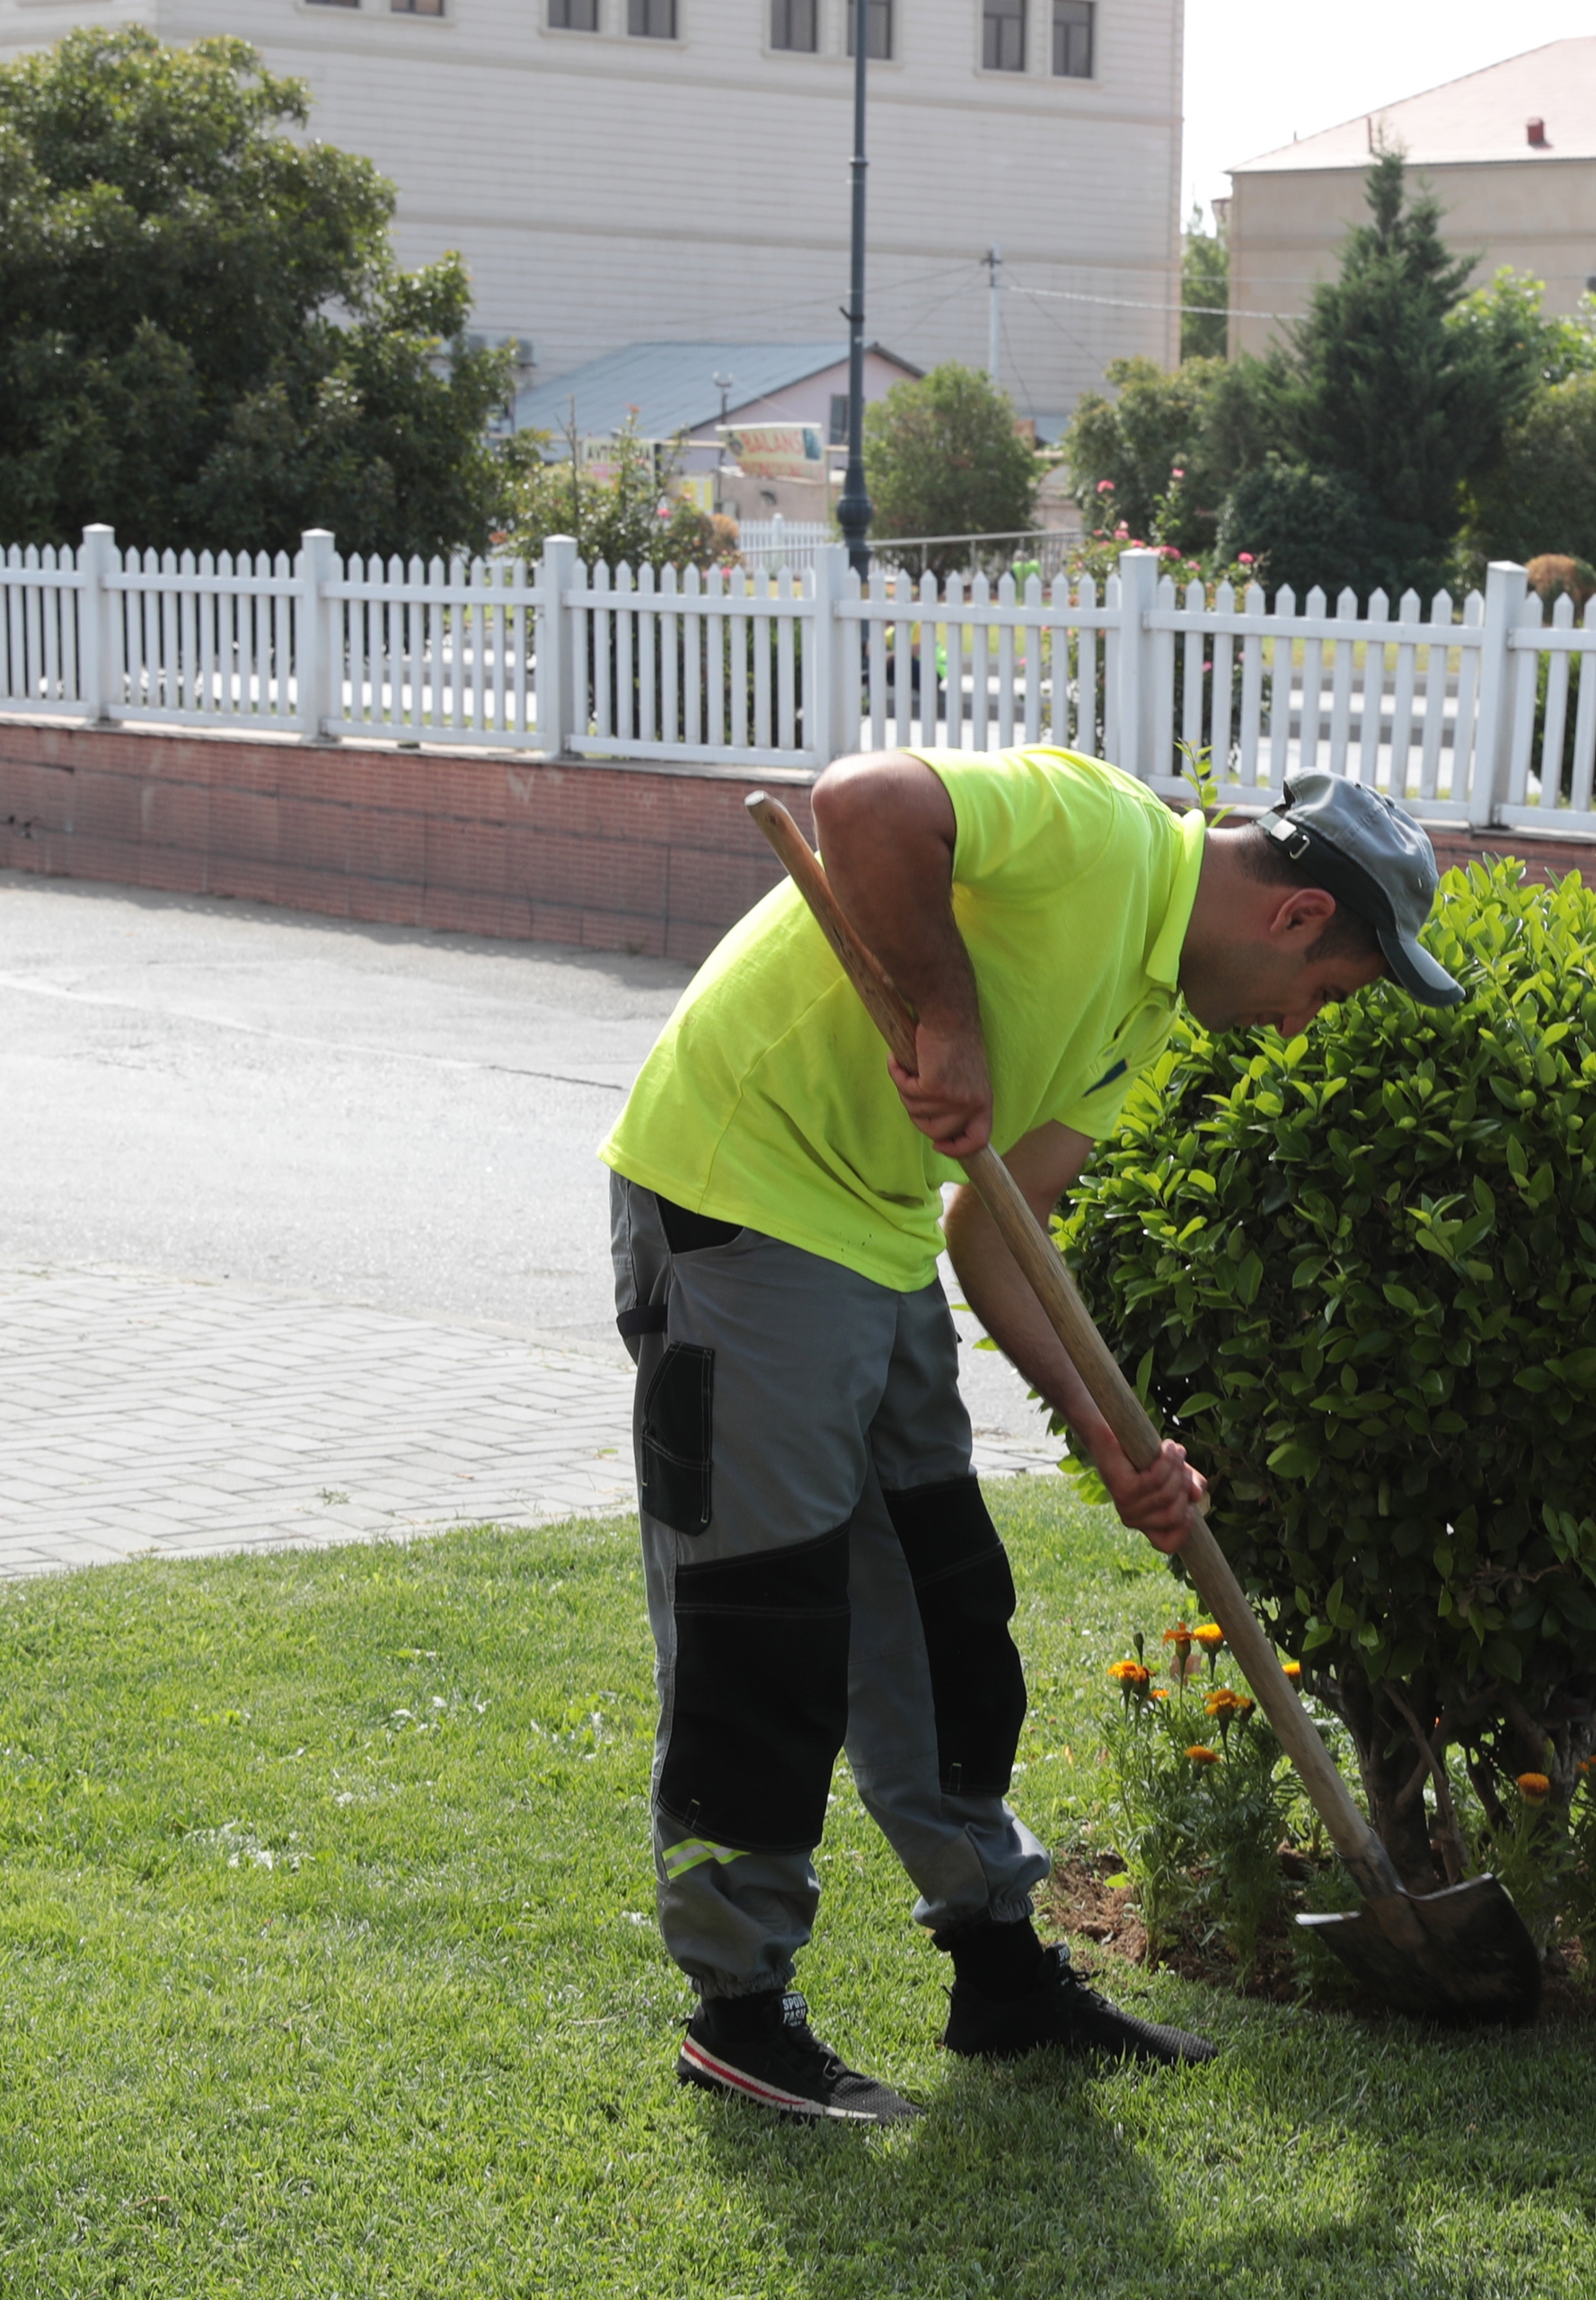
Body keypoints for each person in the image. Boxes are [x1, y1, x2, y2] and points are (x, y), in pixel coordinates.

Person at [601, 759, 1460, 2124]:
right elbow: (861, 804)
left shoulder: (1145, 1010)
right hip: (739, 1194)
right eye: (1332, 991)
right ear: (1299, 917)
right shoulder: (1098, 832)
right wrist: (950, 1014)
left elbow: (994, 1232)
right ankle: (738, 2012)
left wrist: (1119, 1435)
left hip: (874, 1237)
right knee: (761, 1617)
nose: (1301, 1028)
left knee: (948, 1607)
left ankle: (997, 1966)